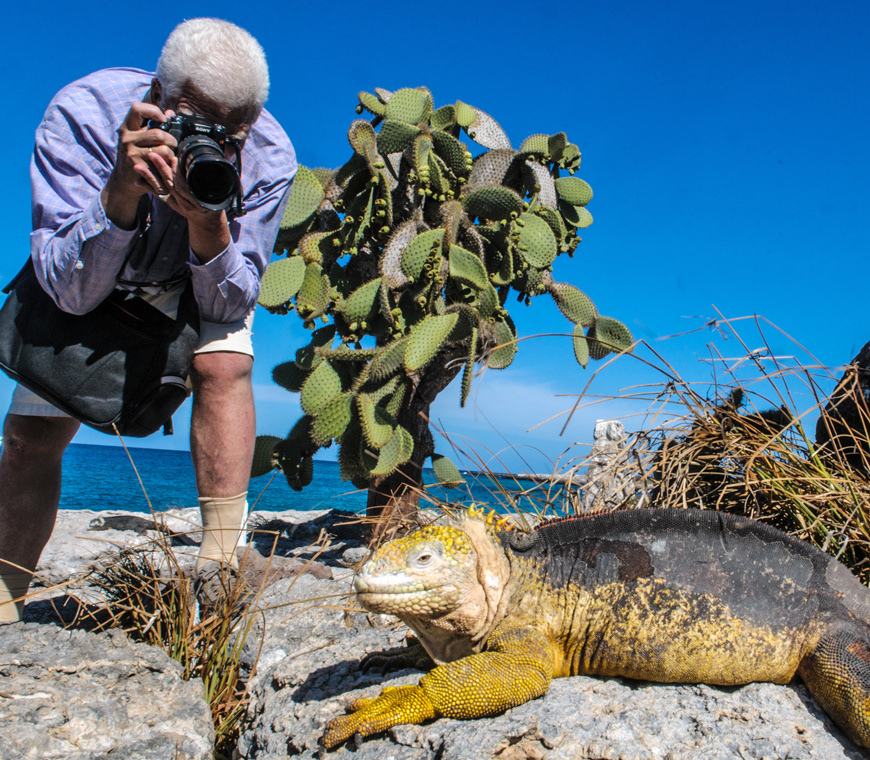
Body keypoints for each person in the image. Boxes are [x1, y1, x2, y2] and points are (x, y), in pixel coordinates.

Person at [0, 18, 296, 622]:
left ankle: (220, 574)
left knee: (226, 362)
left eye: (232, 135)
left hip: (196, 278)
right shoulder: (84, 112)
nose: (214, 147)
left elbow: (231, 304)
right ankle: (5, 595)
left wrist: (209, 228)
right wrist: (119, 196)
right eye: (196, 126)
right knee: (31, 437)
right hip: (86, 269)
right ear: (159, 96)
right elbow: (65, 288)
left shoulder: (270, 155)